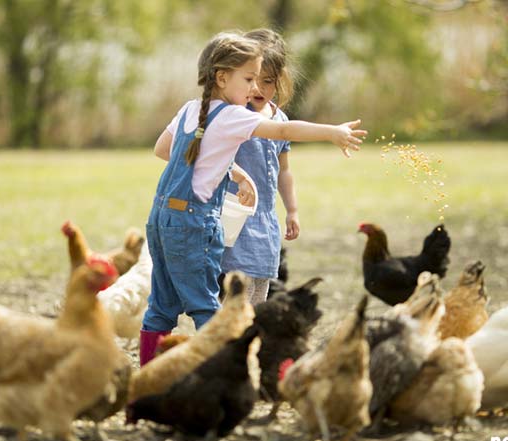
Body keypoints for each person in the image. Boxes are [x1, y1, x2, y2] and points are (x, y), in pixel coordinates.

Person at [140, 31, 366, 366]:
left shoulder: (191, 109)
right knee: (208, 309)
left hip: (160, 220)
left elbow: (166, 150)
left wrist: (231, 170)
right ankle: (212, 378)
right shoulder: (233, 116)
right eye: (248, 79)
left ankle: (147, 378)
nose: (253, 88)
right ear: (221, 77)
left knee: (161, 307)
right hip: (192, 224)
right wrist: (332, 132)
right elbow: (285, 131)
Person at [220, 29, 298, 306]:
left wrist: (292, 210)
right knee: (236, 290)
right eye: (252, 80)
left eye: (268, 82)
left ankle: (251, 339)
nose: (259, 89)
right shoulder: (235, 115)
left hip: (265, 218)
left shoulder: (280, 118)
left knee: (260, 291)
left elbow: (284, 170)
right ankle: (230, 338)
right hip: (236, 213)